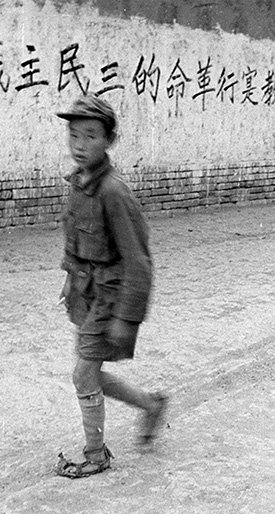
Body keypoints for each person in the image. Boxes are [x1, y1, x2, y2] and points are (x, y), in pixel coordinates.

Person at [54, 93, 167, 479]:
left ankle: (96, 454)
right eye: (73, 135)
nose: (79, 145)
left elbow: (139, 261)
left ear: (109, 141)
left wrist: (127, 318)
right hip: (88, 295)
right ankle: (150, 406)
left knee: (84, 374)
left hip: (111, 298)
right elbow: (75, 240)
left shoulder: (114, 192)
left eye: (90, 136)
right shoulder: (79, 183)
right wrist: (70, 280)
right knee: (91, 373)